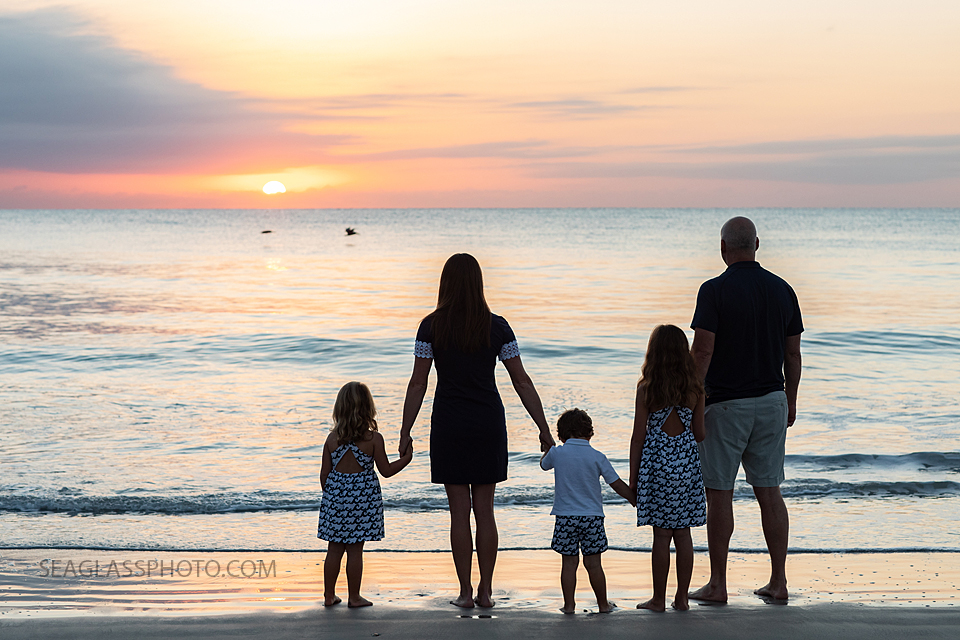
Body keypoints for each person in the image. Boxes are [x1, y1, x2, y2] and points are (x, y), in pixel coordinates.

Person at [398, 253, 555, 609]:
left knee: (459, 513)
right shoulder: (498, 327)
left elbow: (418, 382)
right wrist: (543, 428)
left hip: (449, 424)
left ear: (445, 283)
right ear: (479, 282)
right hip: (487, 424)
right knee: (485, 511)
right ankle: (486, 591)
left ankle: (465, 593)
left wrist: (406, 430)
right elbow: (522, 380)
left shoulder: (431, 326)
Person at [688, 216, 803, 603]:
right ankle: (779, 581)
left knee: (719, 493)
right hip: (772, 399)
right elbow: (792, 353)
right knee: (769, 492)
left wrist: (690, 400)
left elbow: (702, 351)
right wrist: (791, 399)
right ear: (757, 245)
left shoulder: (714, 291)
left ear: (723, 248)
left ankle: (718, 584)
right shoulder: (783, 289)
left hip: (725, 405)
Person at [629, 325, 706, 612]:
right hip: (685, 467)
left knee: (661, 535)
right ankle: (682, 598)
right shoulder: (695, 389)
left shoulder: (646, 389)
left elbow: (638, 437)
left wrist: (633, 479)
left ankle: (658, 599)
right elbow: (699, 434)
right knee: (683, 534)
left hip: (656, 467)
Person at [317, 381, 413, 607]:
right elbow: (386, 471)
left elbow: (324, 476)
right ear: (368, 408)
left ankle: (329, 596)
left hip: (336, 499)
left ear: (339, 409)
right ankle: (354, 597)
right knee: (355, 550)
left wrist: (334, 495)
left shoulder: (331, 440)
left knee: (334, 548)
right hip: (363, 502)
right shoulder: (373, 440)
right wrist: (406, 459)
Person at [541, 408, 635, 614]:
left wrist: (547, 449)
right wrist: (633, 498)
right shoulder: (597, 456)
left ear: (561, 433)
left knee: (569, 563)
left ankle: (569, 605)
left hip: (565, 517)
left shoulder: (557, 453)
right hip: (592, 518)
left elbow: (544, 465)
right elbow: (616, 484)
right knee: (594, 563)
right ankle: (603, 604)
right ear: (590, 432)